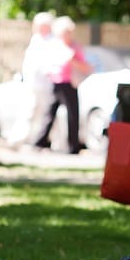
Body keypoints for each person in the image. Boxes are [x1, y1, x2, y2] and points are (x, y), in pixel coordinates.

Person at [33, 16, 92, 154]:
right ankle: (40, 141)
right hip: (56, 83)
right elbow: (47, 65)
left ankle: (73, 145)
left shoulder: (75, 47)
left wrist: (72, 60)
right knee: (50, 113)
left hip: (69, 83)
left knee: (73, 115)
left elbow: (85, 67)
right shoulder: (55, 46)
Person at [20, 11, 55, 147]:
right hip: (32, 84)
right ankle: (22, 140)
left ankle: (37, 141)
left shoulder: (52, 42)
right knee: (29, 112)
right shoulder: (36, 39)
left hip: (45, 85)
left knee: (43, 115)